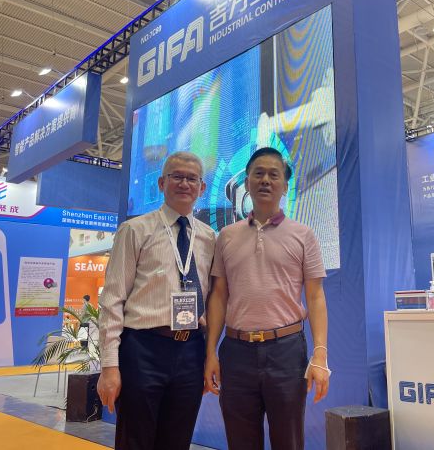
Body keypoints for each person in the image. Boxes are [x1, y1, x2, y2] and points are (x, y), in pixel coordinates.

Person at [205, 147, 330, 450]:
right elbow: (219, 296)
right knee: (240, 441)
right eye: (258, 173)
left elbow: (315, 296)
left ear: (285, 186)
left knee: (288, 441)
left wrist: (320, 355)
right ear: (246, 182)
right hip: (236, 353)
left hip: (286, 352)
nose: (265, 180)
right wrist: (210, 352)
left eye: (274, 175)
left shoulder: (304, 235)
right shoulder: (227, 236)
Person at [98, 151, 215, 450]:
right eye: (177, 176)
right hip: (142, 349)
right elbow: (112, 300)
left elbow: (213, 299)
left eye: (192, 179)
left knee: (177, 441)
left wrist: (206, 357)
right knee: (135, 440)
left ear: (202, 188)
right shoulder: (135, 230)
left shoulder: (209, 237)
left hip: (191, 350)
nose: (184, 183)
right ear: (162, 183)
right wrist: (109, 367)